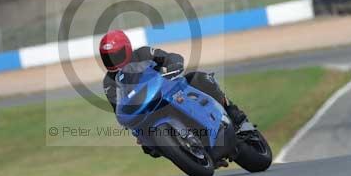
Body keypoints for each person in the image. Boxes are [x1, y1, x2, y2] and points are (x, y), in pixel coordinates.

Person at [99, 30, 248, 156]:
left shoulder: (143, 53)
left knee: (200, 78)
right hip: (146, 112)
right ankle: (184, 152)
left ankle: (234, 113)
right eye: (108, 57)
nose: (113, 61)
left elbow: (169, 57)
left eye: (117, 54)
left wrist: (173, 65)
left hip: (169, 90)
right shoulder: (108, 83)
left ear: (127, 49)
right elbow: (119, 109)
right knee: (147, 147)